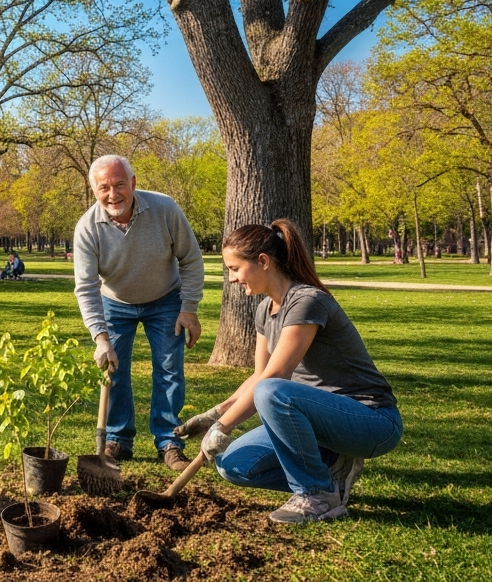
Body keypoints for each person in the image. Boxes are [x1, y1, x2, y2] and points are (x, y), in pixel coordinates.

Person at [173, 220, 401, 524]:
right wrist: (216, 415)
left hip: (370, 420)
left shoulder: (307, 301)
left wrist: (224, 427)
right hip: (319, 425)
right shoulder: (263, 310)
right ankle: (333, 474)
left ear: (263, 262)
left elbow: (275, 376)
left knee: (273, 391)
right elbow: (258, 375)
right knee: (234, 465)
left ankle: (316, 494)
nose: (231, 278)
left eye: (235, 268)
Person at [74, 154, 204, 472]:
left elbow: (190, 259)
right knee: (114, 371)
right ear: (94, 190)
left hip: (165, 300)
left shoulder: (165, 209)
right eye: (104, 187)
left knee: (170, 371)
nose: (113, 194)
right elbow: (86, 287)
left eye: (120, 184)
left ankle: (169, 441)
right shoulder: (87, 229)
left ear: (133, 183)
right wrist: (100, 337)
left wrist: (188, 309)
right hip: (115, 303)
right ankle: (118, 439)